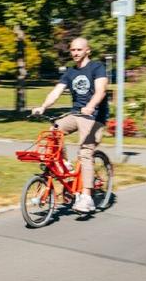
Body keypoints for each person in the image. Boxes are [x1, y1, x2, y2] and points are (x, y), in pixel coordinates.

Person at [31, 37, 109, 213]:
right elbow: (56, 92)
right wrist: (43, 107)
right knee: (53, 131)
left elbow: (101, 91)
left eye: (79, 49)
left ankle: (87, 198)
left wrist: (91, 106)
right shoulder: (70, 72)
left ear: (87, 50)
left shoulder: (97, 67)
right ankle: (66, 164)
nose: (75, 53)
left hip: (94, 117)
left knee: (85, 153)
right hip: (76, 114)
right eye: (73, 50)